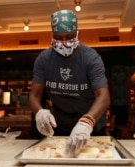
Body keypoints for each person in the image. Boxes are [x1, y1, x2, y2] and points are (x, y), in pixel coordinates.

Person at [28, 9, 110, 157]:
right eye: (58, 38)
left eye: (70, 37)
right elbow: (34, 96)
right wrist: (40, 112)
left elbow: (103, 96)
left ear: (77, 34)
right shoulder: (44, 59)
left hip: (90, 125)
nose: (64, 42)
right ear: (51, 36)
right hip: (59, 125)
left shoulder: (91, 58)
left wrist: (86, 122)